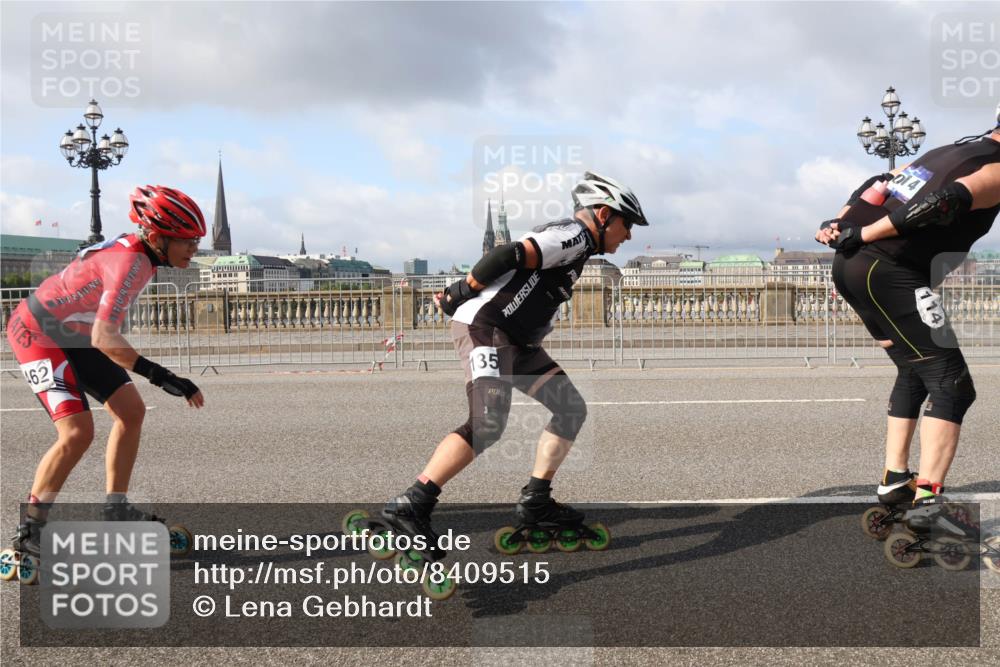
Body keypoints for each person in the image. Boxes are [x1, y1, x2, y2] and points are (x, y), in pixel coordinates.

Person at [380, 172, 647, 556]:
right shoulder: (573, 235)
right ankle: (412, 504)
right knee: (488, 422)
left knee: (570, 408)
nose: (629, 235)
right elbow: (507, 254)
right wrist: (462, 290)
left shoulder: (581, 247)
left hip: (517, 342)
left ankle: (536, 501)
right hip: (487, 328)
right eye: (627, 224)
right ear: (604, 214)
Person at [3, 185, 207, 575]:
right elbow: (105, 337)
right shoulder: (131, 261)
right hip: (38, 331)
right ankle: (30, 529)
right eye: (187, 241)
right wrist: (161, 375)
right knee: (77, 433)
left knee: (130, 412)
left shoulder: (143, 255)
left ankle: (116, 509)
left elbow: (96, 331)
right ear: (156, 235)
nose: (194, 249)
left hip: (73, 333)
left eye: (196, 240)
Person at [816, 104, 1000, 518]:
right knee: (952, 384)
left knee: (913, 369)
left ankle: (895, 478)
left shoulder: (947, 152)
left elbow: (879, 183)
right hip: (890, 271)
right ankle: (928, 500)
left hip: (853, 268)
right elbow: (942, 202)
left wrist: (839, 223)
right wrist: (863, 232)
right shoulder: (996, 167)